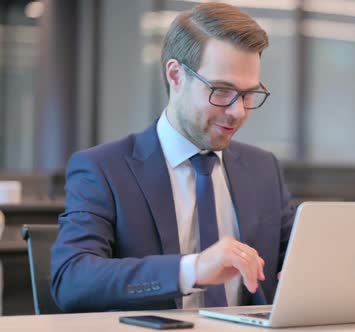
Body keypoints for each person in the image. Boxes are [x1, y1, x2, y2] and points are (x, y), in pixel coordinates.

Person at [50, 3, 295, 312]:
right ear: (176, 75)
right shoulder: (103, 169)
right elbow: (71, 280)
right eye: (221, 91)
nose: (238, 111)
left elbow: (298, 258)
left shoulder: (263, 169)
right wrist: (193, 269)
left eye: (248, 94)